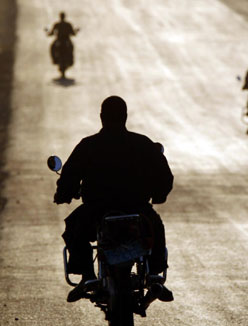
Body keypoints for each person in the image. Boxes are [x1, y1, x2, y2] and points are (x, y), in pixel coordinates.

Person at [53, 96, 174, 303]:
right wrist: (159, 195)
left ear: (101, 117)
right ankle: (154, 274)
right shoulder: (142, 143)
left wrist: (63, 194)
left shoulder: (88, 145)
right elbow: (164, 176)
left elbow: (69, 176)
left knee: (74, 228)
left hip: (97, 211)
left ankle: (87, 276)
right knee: (155, 226)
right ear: (125, 117)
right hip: (137, 210)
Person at [46, 12, 78, 77]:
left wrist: (47, 32)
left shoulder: (57, 24)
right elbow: (73, 33)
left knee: (52, 47)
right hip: (65, 40)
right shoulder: (67, 24)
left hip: (60, 40)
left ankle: (54, 59)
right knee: (71, 47)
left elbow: (51, 33)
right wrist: (76, 31)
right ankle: (70, 59)